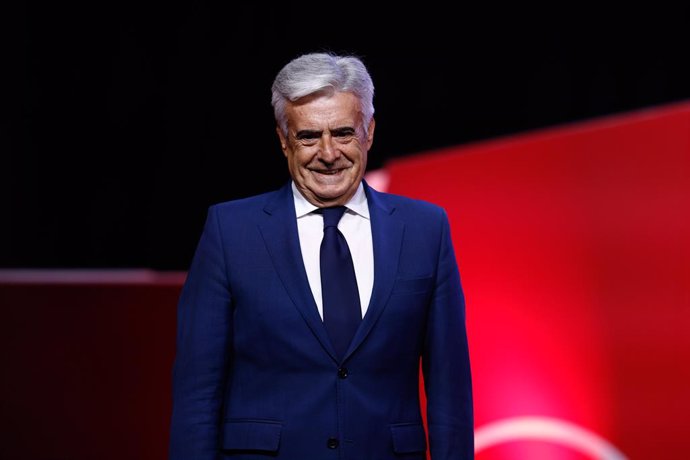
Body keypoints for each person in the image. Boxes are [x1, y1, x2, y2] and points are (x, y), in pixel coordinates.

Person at [168, 51, 473, 459]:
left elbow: (450, 391)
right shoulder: (230, 231)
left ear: (369, 132)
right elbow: (197, 395)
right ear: (283, 139)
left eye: (344, 133)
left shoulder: (425, 230)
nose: (328, 154)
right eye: (309, 136)